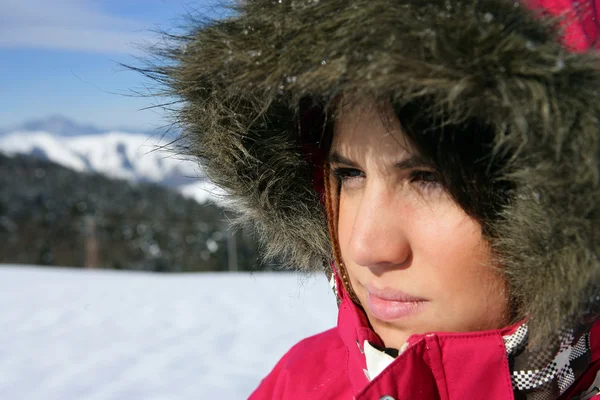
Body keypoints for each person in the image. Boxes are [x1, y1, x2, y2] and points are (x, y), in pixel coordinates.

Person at [148, 0, 600, 398]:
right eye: (349, 174)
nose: (366, 246)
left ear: (563, 202)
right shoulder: (301, 381)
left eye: (430, 179)